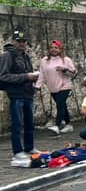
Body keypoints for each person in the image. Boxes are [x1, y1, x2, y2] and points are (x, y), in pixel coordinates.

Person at [0, 30, 39, 166]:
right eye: (19, 41)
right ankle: (18, 151)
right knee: (17, 124)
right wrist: (26, 77)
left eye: (23, 41)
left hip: (28, 92)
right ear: (14, 42)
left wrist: (33, 78)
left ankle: (29, 147)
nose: (21, 44)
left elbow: (28, 73)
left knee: (29, 123)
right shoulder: (7, 56)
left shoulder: (26, 56)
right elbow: (3, 76)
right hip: (16, 94)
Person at [36, 39, 76, 134]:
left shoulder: (66, 60)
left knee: (60, 104)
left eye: (56, 48)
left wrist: (65, 70)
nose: (54, 49)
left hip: (64, 85)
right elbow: (42, 74)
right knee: (62, 105)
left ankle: (57, 126)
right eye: (52, 47)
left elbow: (74, 73)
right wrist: (38, 86)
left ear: (60, 49)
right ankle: (68, 124)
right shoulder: (44, 60)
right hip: (52, 87)